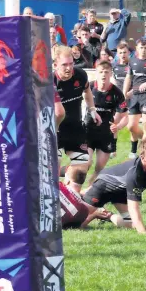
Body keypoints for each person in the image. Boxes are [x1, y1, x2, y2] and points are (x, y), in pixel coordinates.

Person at [54, 46, 102, 192]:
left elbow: (87, 90)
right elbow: (56, 112)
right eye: (64, 65)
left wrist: (93, 110)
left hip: (74, 128)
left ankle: (72, 201)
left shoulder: (80, 75)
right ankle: (54, 199)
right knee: (53, 168)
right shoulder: (48, 82)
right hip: (53, 130)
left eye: (71, 63)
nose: (69, 68)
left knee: (83, 166)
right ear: (55, 65)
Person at [84, 61, 128, 190]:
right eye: (101, 72)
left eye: (106, 72)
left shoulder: (117, 93)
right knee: (86, 163)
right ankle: (74, 186)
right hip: (88, 132)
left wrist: (118, 126)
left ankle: (87, 191)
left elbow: (126, 117)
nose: (103, 75)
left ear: (111, 74)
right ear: (96, 73)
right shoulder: (89, 88)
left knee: (99, 168)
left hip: (105, 135)